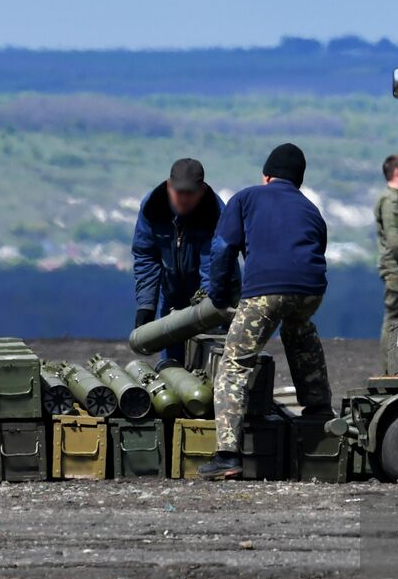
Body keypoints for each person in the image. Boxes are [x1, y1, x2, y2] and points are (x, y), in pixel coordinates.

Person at [199, 143, 333, 480]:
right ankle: (319, 408)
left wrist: (217, 294)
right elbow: (315, 249)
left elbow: (223, 247)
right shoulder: (311, 209)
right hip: (311, 290)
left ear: (267, 175)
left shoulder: (246, 198)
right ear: (298, 181)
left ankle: (228, 455)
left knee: (234, 364)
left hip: (265, 290)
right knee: (299, 330)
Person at [131, 158, 228, 364]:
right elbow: (146, 256)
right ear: (169, 186)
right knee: (171, 364)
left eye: (190, 193)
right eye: (179, 192)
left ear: (201, 190)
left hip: (214, 295)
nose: (183, 199)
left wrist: (207, 311)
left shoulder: (215, 212)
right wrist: (146, 306)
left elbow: (213, 264)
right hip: (173, 293)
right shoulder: (153, 208)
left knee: (208, 359)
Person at [375, 153, 398, 369]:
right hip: (397, 269)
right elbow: (396, 241)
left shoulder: (396, 198)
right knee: (395, 319)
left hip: (397, 267)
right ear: (397, 170)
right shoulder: (392, 200)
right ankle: (390, 368)